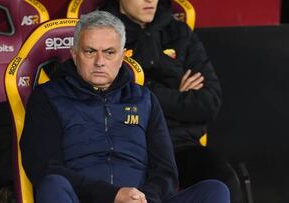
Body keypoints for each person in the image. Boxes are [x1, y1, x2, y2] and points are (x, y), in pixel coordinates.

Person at [20, 10, 229, 203]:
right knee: (53, 184)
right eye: (90, 51)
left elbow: (165, 171)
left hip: (140, 200)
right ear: (75, 55)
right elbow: (45, 168)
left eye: (109, 52)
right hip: (83, 198)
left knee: (215, 190)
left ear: (122, 57)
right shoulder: (49, 97)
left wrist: (143, 198)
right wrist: (113, 196)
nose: (100, 61)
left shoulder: (143, 99)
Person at [101, 0, 243, 202]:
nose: (150, 0)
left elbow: (209, 102)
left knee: (224, 180)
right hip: (129, 146)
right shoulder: (103, 34)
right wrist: (178, 94)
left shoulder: (179, 31)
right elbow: (117, 100)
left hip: (180, 146)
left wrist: (147, 92)